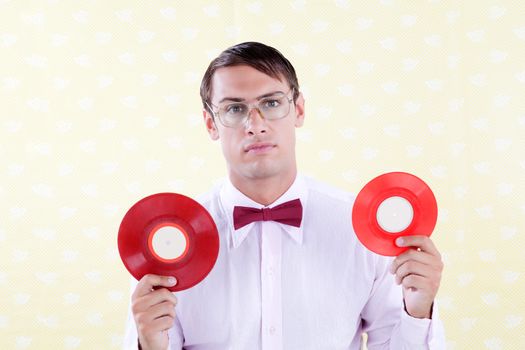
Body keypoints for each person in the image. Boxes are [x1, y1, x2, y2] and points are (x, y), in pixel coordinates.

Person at [123, 41, 446, 349]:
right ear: (211, 124)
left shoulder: (360, 229)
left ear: (299, 109)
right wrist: (149, 345)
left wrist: (418, 310)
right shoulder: (171, 241)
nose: (256, 124)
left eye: (272, 103)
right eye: (235, 109)